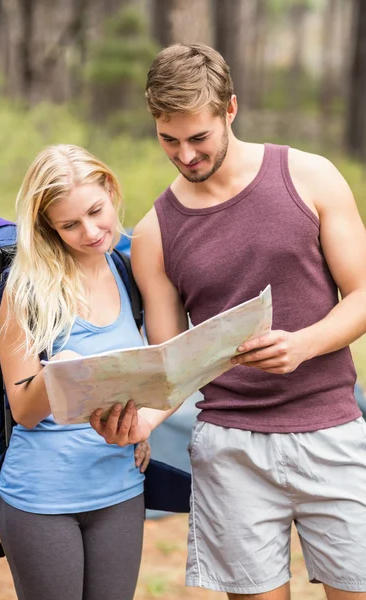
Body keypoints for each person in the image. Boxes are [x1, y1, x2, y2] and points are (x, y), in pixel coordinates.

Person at [91, 43, 366, 600]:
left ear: (230, 110)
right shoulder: (153, 234)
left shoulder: (311, 177)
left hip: (331, 433)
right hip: (229, 448)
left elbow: (362, 292)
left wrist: (306, 344)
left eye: (199, 138)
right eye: (169, 139)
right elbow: (171, 366)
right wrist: (139, 422)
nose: (186, 156)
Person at [0, 144, 150, 600]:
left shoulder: (127, 267)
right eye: (69, 225)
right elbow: (24, 409)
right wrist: (60, 373)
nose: (90, 231)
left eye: (96, 212)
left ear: (110, 189)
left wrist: (143, 426)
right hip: (43, 497)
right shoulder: (25, 289)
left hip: (120, 487)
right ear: (47, 227)